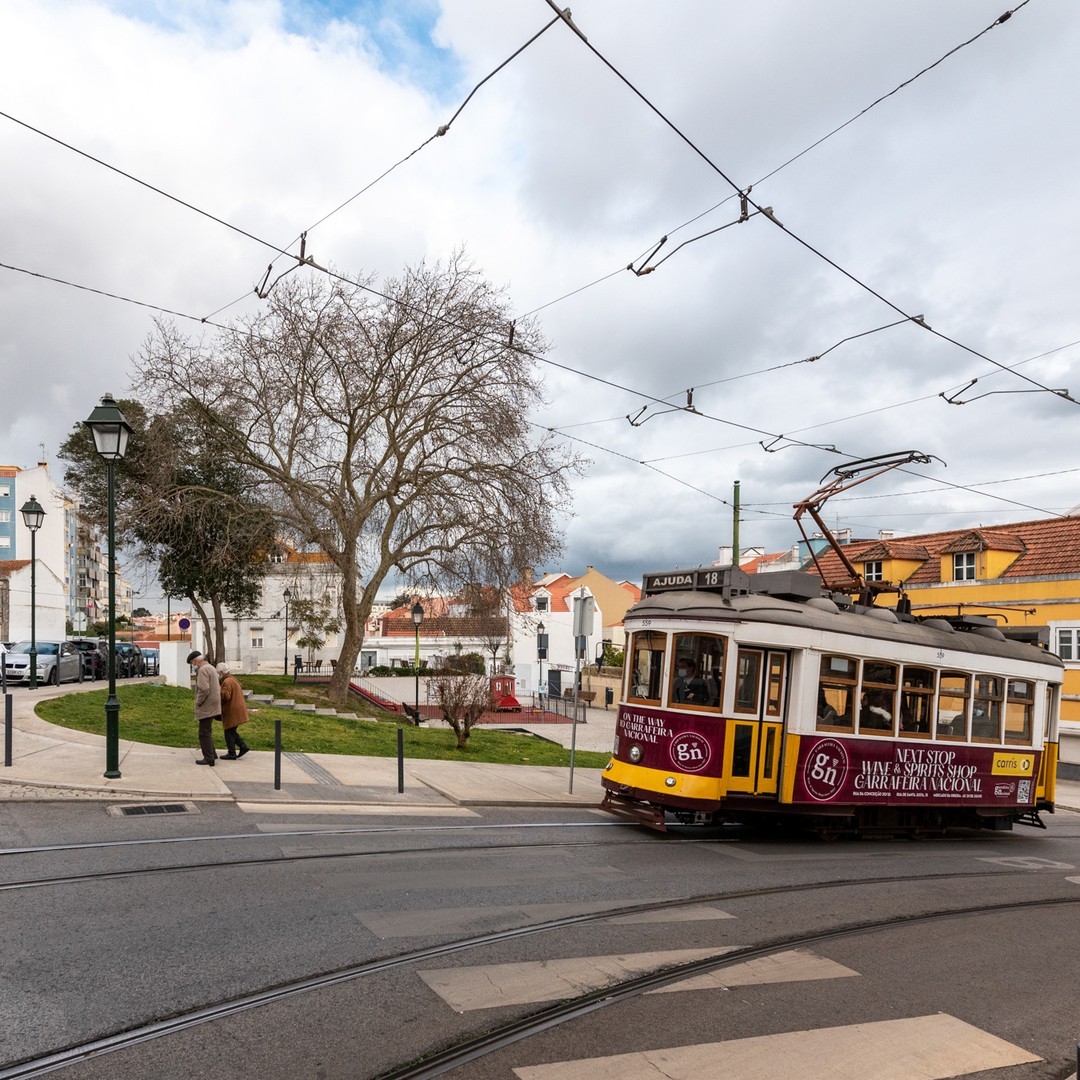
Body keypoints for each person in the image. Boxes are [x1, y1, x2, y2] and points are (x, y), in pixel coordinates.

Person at [187, 650, 221, 765]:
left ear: (196, 660)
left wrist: (198, 701)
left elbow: (204, 689)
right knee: (207, 731)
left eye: (193, 663)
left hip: (207, 705)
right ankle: (213, 754)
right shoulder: (210, 667)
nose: (193, 665)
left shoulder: (203, 670)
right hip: (214, 704)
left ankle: (209, 758)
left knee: (203, 733)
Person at [216, 663, 251, 759]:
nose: (217, 675)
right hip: (236, 709)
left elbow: (225, 695)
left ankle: (233, 752)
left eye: (218, 672)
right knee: (231, 731)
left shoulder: (227, 681)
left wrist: (217, 691)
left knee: (229, 731)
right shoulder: (231, 679)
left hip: (232, 710)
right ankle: (242, 747)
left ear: (221, 672)